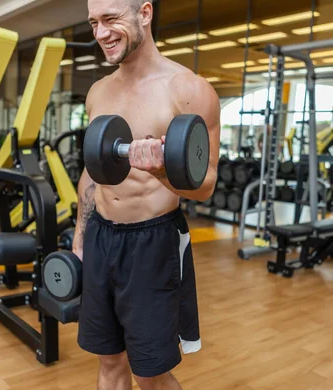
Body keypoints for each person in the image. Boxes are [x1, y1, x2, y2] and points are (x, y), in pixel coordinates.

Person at [72, 0, 220, 388]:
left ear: (145, 13)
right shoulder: (98, 92)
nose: (100, 33)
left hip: (153, 242)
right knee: (108, 361)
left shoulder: (188, 90)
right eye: (93, 22)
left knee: (149, 372)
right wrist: (80, 237)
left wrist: (158, 169)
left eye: (110, 19)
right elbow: (92, 171)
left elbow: (205, 186)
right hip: (102, 238)